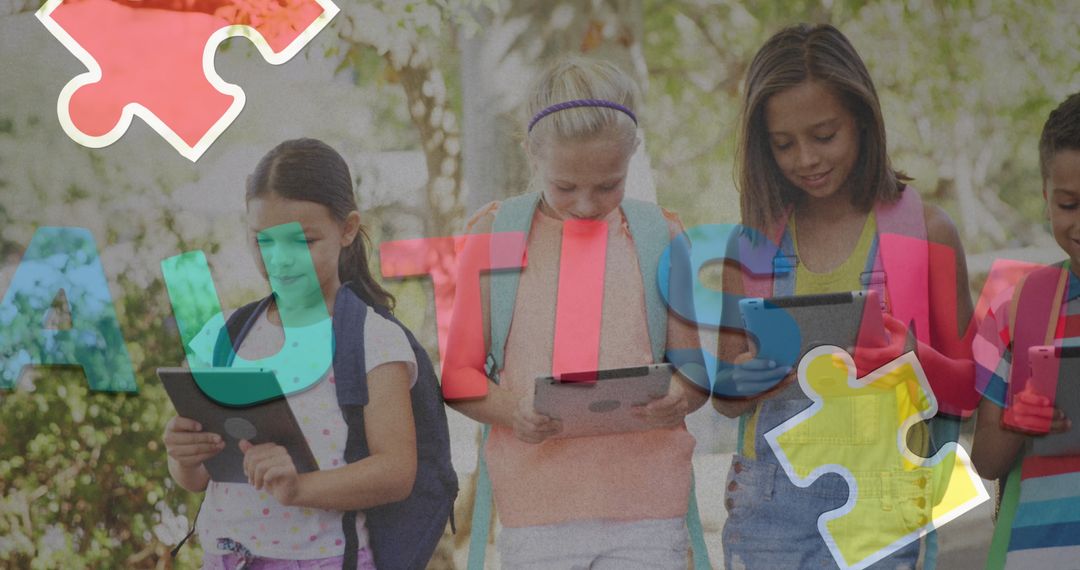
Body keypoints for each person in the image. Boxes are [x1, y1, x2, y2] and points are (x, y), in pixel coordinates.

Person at [714, 24, 976, 569]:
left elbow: (968, 390)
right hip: (768, 512)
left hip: (885, 507)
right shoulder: (751, 247)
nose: (805, 158)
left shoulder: (925, 231)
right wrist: (750, 376)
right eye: (783, 144)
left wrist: (910, 356)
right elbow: (724, 396)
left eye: (824, 135)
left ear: (862, 117)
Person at [443, 56, 710, 569]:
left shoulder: (659, 235)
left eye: (609, 185)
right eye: (566, 187)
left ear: (633, 155)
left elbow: (695, 368)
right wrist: (513, 412)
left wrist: (681, 397)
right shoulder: (495, 236)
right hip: (536, 512)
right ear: (532, 155)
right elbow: (458, 376)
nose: (587, 204)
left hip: (648, 511)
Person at [163, 138, 418, 569]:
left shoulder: (372, 338)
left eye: (303, 241)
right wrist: (182, 456)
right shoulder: (224, 336)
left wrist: (300, 487)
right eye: (263, 242)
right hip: (224, 558)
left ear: (348, 229)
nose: (281, 260)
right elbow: (197, 478)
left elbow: (396, 472)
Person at [971, 92, 1080, 569]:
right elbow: (987, 461)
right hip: (1038, 556)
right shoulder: (1021, 308)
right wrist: (1017, 420)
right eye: (1069, 203)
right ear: (1045, 197)